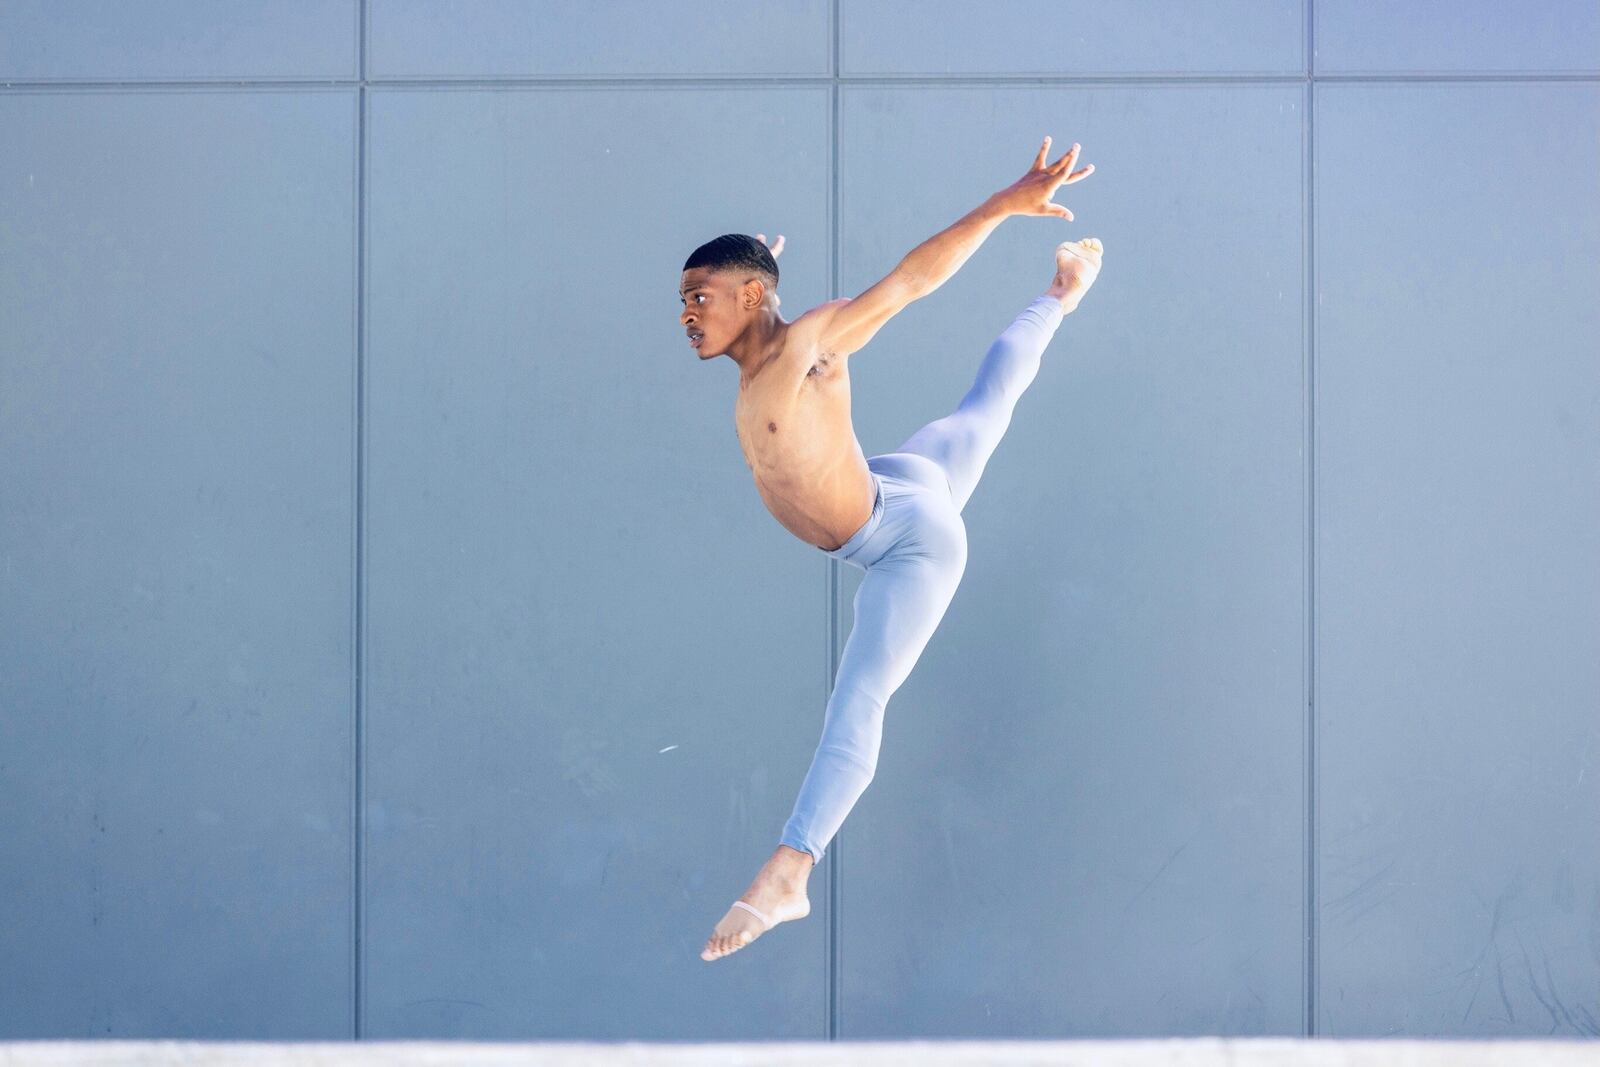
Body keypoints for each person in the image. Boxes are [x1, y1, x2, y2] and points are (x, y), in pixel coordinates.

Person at [681, 136, 1102, 961]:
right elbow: (755, 298)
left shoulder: (809, 346)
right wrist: (755, 265)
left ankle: (789, 869)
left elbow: (912, 281)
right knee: (988, 407)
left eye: (701, 296)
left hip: (907, 543)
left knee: (859, 699)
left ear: (753, 294)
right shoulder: (761, 344)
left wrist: (1005, 204)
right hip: (897, 479)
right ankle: (1062, 293)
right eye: (683, 302)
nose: (688, 314)